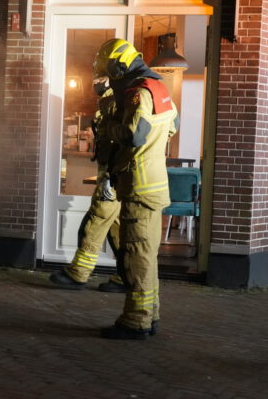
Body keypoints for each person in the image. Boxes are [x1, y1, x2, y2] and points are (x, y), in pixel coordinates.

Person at [92, 38, 179, 340]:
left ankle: (136, 321)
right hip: (153, 183)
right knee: (147, 253)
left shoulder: (138, 92)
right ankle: (149, 314)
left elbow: (133, 134)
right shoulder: (158, 87)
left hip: (139, 185)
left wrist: (107, 126)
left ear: (118, 65)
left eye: (109, 68)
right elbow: (172, 126)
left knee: (136, 254)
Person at [49, 77, 127, 293]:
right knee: (118, 231)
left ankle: (78, 274)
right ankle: (126, 277)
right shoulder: (114, 99)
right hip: (115, 175)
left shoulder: (115, 101)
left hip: (112, 176)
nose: (95, 82)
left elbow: (115, 137)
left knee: (93, 224)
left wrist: (111, 176)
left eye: (100, 77)